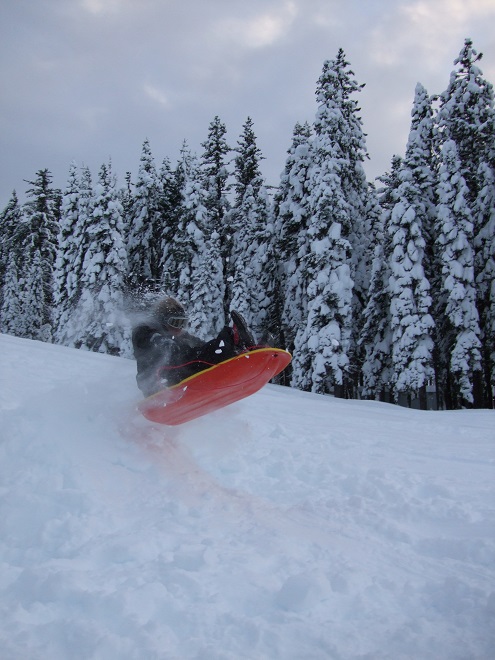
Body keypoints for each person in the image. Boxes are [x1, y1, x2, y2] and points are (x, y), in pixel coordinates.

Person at [132, 296, 258, 397]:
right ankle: (232, 342)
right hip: (157, 386)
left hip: (175, 380)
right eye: (176, 322)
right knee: (193, 357)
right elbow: (154, 342)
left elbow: (201, 347)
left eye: (183, 323)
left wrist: (207, 348)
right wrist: (163, 342)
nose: (179, 327)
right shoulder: (145, 331)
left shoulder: (178, 335)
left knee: (203, 355)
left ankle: (236, 348)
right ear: (162, 321)